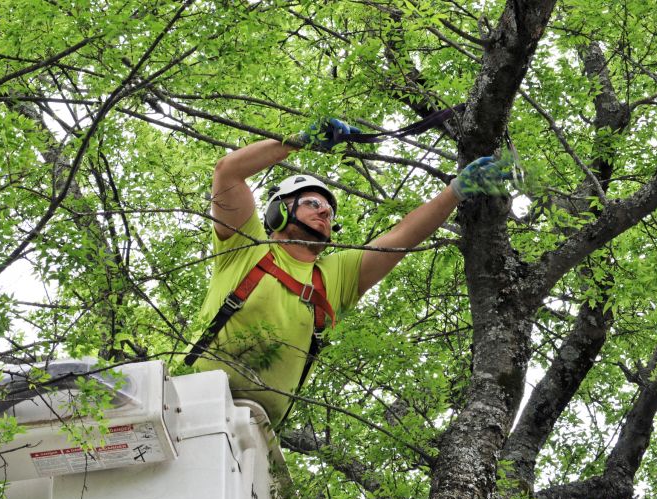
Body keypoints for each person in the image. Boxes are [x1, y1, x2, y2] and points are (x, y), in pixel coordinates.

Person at [185, 118, 511, 426]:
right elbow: (228, 173)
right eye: (313, 203)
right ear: (278, 211)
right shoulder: (246, 246)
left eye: (328, 209)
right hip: (189, 405)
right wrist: (302, 140)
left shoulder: (332, 277)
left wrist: (454, 191)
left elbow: (400, 237)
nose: (325, 210)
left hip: (255, 434)